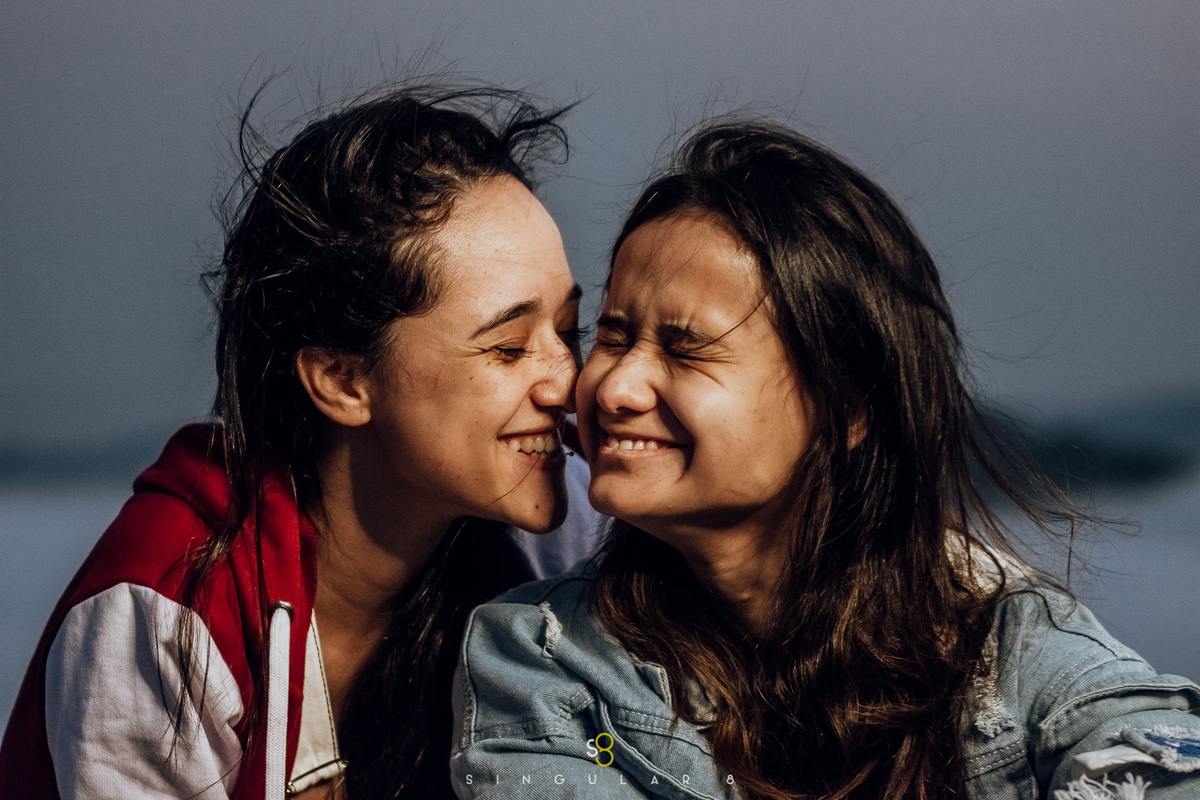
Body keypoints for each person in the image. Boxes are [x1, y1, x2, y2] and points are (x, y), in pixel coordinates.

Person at [450, 122, 1200, 799]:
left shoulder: (1006, 641)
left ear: (846, 405)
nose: (613, 386)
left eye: (684, 348)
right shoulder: (544, 660)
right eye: (611, 336)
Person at [0, 85, 603, 799]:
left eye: (568, 332)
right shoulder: (168, 615)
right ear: (344, 380)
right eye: (507, 348)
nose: (571, 382)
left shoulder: (554, 536)